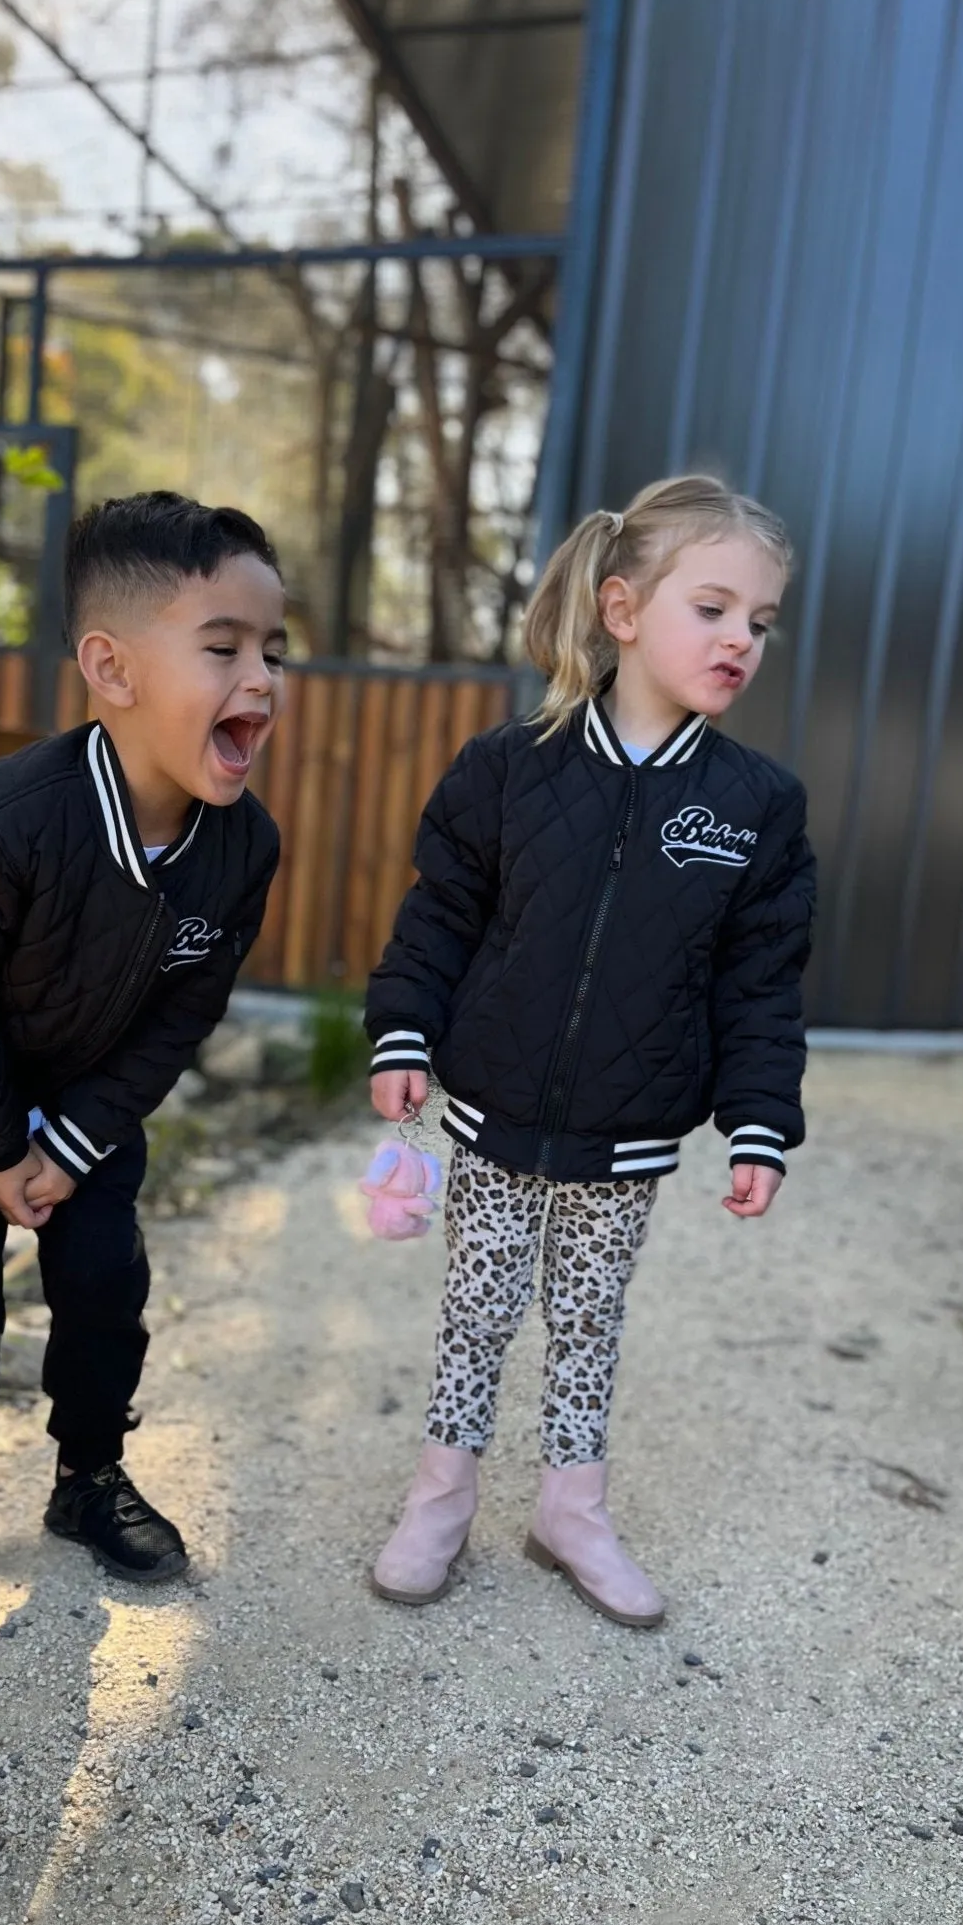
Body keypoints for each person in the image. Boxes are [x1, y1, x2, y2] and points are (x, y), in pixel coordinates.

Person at [364, 474, 815, 1626]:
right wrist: (403, 1028)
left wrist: (758, 1116)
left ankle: (573, 1505)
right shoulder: (509, 769)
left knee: (588, 1319)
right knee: (476, 1307)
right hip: (495, 1106)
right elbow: (440, 917)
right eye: (711, 608)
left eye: (759, 622)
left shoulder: (756, 806)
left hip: (631, 1125)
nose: (739, 641)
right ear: (621, 610)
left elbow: (760, 981)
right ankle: (442, 1493)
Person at [0, 492, 284, 1647]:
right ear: (112, 666)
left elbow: (179, 1013)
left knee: (103, 1285)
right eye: (224, 647)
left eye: (272, 651)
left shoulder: (243, 845)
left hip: (80, 1101)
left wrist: (71, 1139)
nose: (263, 679)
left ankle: (88, 1474)